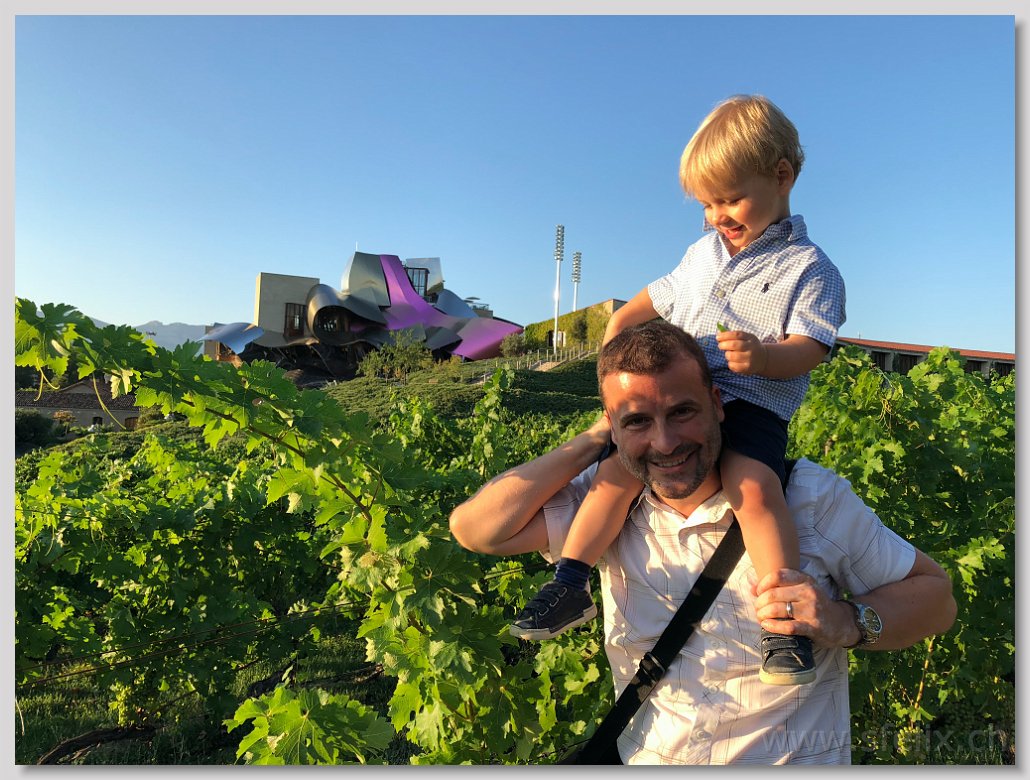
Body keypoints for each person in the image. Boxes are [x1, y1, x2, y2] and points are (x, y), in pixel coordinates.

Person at [449, 321, 956, 764]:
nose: (665, 442)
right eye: (638, 421)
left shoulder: (807, 499)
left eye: (682, 411)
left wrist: (845, 622)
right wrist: (592, 440)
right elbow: (477, 529)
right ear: (613, 426)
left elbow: (937, 599)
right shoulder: (605, 508)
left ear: (717, 404)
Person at [508, 94, 846, 688]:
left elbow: (812, 346)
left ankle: (783, 620)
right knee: (615, 477)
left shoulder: (810, 268)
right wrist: (616, 338)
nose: (718, 216)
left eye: (730, 199)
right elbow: (645, 303)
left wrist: (766, 358)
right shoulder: (700, 255)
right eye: (707, 205)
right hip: (675, 402)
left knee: (755, 490)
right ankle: (570, 581)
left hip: (751, 403)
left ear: (782, 177)